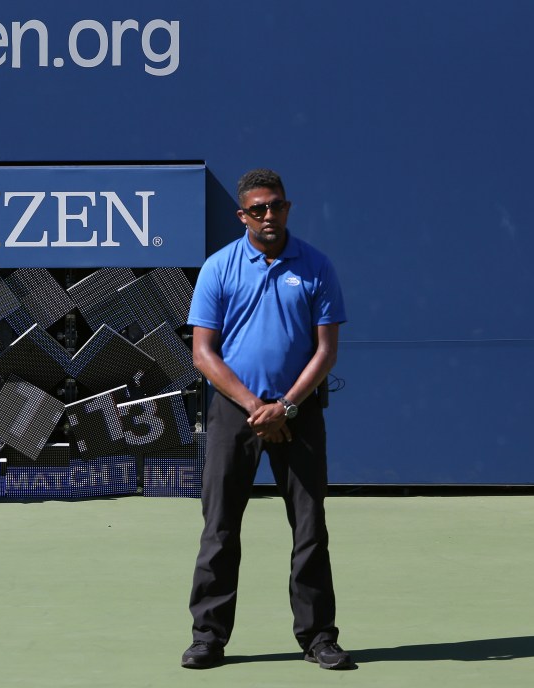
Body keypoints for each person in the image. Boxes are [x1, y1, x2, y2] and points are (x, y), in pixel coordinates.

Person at [181, 169, 352, 670]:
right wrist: (257, 407)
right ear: (243, 215)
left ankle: (319, 637)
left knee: (309, 527)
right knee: (219, 528)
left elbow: (325, 351)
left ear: (287, 208)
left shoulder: (317, 267)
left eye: (276, 206)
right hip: (235, 416)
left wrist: (287, 406)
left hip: (299, 414)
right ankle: (208, 637)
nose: (269, 215)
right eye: (258, 209)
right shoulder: (219, 268)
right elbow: (203, 354)